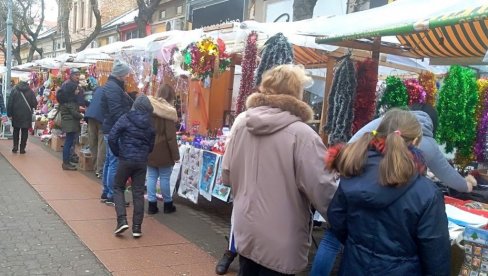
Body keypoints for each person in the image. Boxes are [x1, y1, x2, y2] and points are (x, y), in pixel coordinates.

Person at [310, 103, 470, 276]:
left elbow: (337, 220)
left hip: (354, 265)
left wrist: (358, 245)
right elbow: (436, 255)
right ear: (416, 141)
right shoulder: (427, 193)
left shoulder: (352, 174)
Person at [222, 64, 337, 275]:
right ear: (296, 93)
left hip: (246, 227)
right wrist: (342, 219)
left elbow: (226, 175)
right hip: (282, 236)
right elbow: (323, 189)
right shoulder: (303, 135)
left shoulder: (242, 125)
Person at [108, 94, 155, 238]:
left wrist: (118, 152)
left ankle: (122, 220)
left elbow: (112, 137)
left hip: (125, 158)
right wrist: (144, 154)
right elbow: (151, 145)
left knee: (118, 187)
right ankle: (137, 228)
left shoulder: (126, 118)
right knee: (138, 192)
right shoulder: (151, 123)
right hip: (141, 161)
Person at [100, 60, 133, 205]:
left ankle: (107, 192)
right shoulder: (114, 88)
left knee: (109, 160)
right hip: (115, 129)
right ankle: (113, 195)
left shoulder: (112, 86)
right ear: (120, 75)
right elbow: (116, 111)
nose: (127, 76)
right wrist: (126, 125)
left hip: (110, 128)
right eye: (126, 74)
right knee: (114, 162)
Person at [146, 84, 179, 214]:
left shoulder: (149, 107)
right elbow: (171, 137)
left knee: (151, 177)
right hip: (163, 149)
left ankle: (152, 205)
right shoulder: (168, 112)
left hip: (149, 147)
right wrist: (176, 155)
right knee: (165, 177)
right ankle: (167, 204)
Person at [7, 81, 37, 154]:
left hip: (16, 114)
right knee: (25, 131)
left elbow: (10, 103)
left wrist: (9, 114)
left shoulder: (14, 90)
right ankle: (22, 149)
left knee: (16, 130)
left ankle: (15, 147)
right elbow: (34, 103)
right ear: (27, 84)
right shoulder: (30, 91)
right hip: (26, 114)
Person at [57, 87, 83, 170]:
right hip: (70, 124)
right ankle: (66, 163)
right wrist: (82, 116)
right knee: (68, 143)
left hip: (68, 124)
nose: (77, 91)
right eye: (76, 89)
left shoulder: (65, 101)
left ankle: (67, 162)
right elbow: (74, 113)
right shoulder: (69, 102)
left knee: (68, 143)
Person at [84, 86, 106, 178]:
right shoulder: (114, 90)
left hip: (90, 115)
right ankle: (99, 170)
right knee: (102, 144)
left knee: (93, 142)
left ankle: (95, 167)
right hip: (102, 118)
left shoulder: (99, 89)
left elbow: (89, 99)